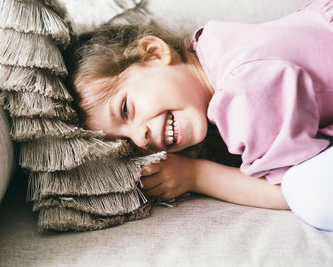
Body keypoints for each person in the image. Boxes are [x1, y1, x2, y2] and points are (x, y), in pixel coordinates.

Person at [65, 0, 333, 231]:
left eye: (125, 109)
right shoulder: (212, 44)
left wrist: (195, 175)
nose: (141, 138)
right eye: (129, 142)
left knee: (310, 196)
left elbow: (286, 190)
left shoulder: (242, 94)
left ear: (154, 52)